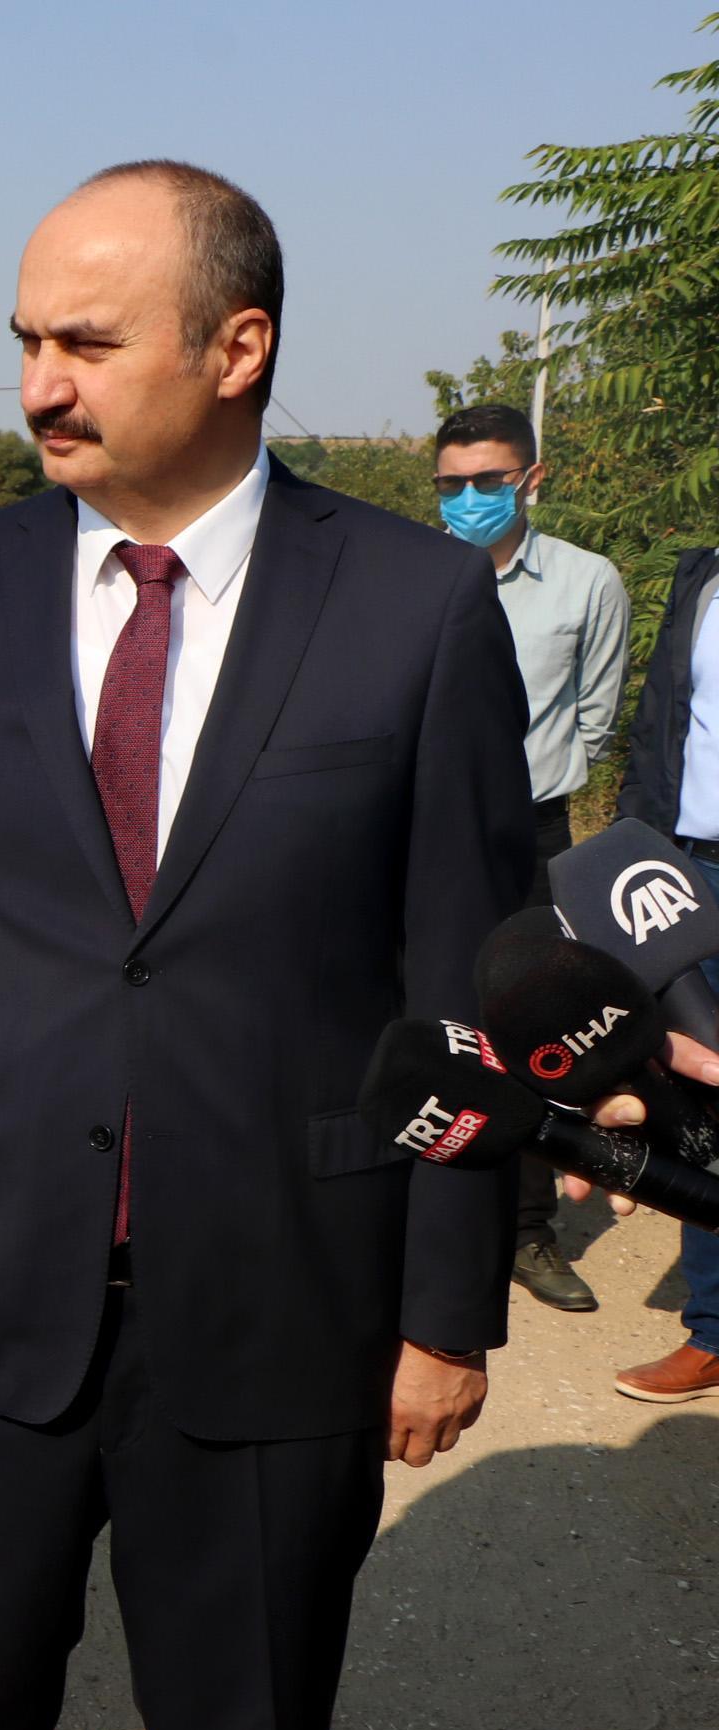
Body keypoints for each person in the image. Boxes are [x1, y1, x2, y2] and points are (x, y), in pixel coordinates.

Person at [0, 162, 531, 1730]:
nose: (41, 382)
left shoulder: (411, 610)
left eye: (85, 340)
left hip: (285, 1291)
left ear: (236, 346)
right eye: (27, 342)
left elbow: (471, 986)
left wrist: (449, 1304)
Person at [429, 402, 630, 1315]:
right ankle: (418, 1212)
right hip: (427, 831)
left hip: (534, 832)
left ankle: (527, 1228)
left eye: (487, 481)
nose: (468, 499)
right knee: (427, 1013)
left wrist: (540, 784)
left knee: (534, 1031)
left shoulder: (588, 584)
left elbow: (596, 714)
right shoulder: (416, 577)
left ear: (531, 479)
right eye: (451, 484)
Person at [605, 541, 719, 1403]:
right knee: (702, 1096)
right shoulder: (702, 573)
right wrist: (629, 852)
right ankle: (713, 1328)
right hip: (692, 870)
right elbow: (659, 722)